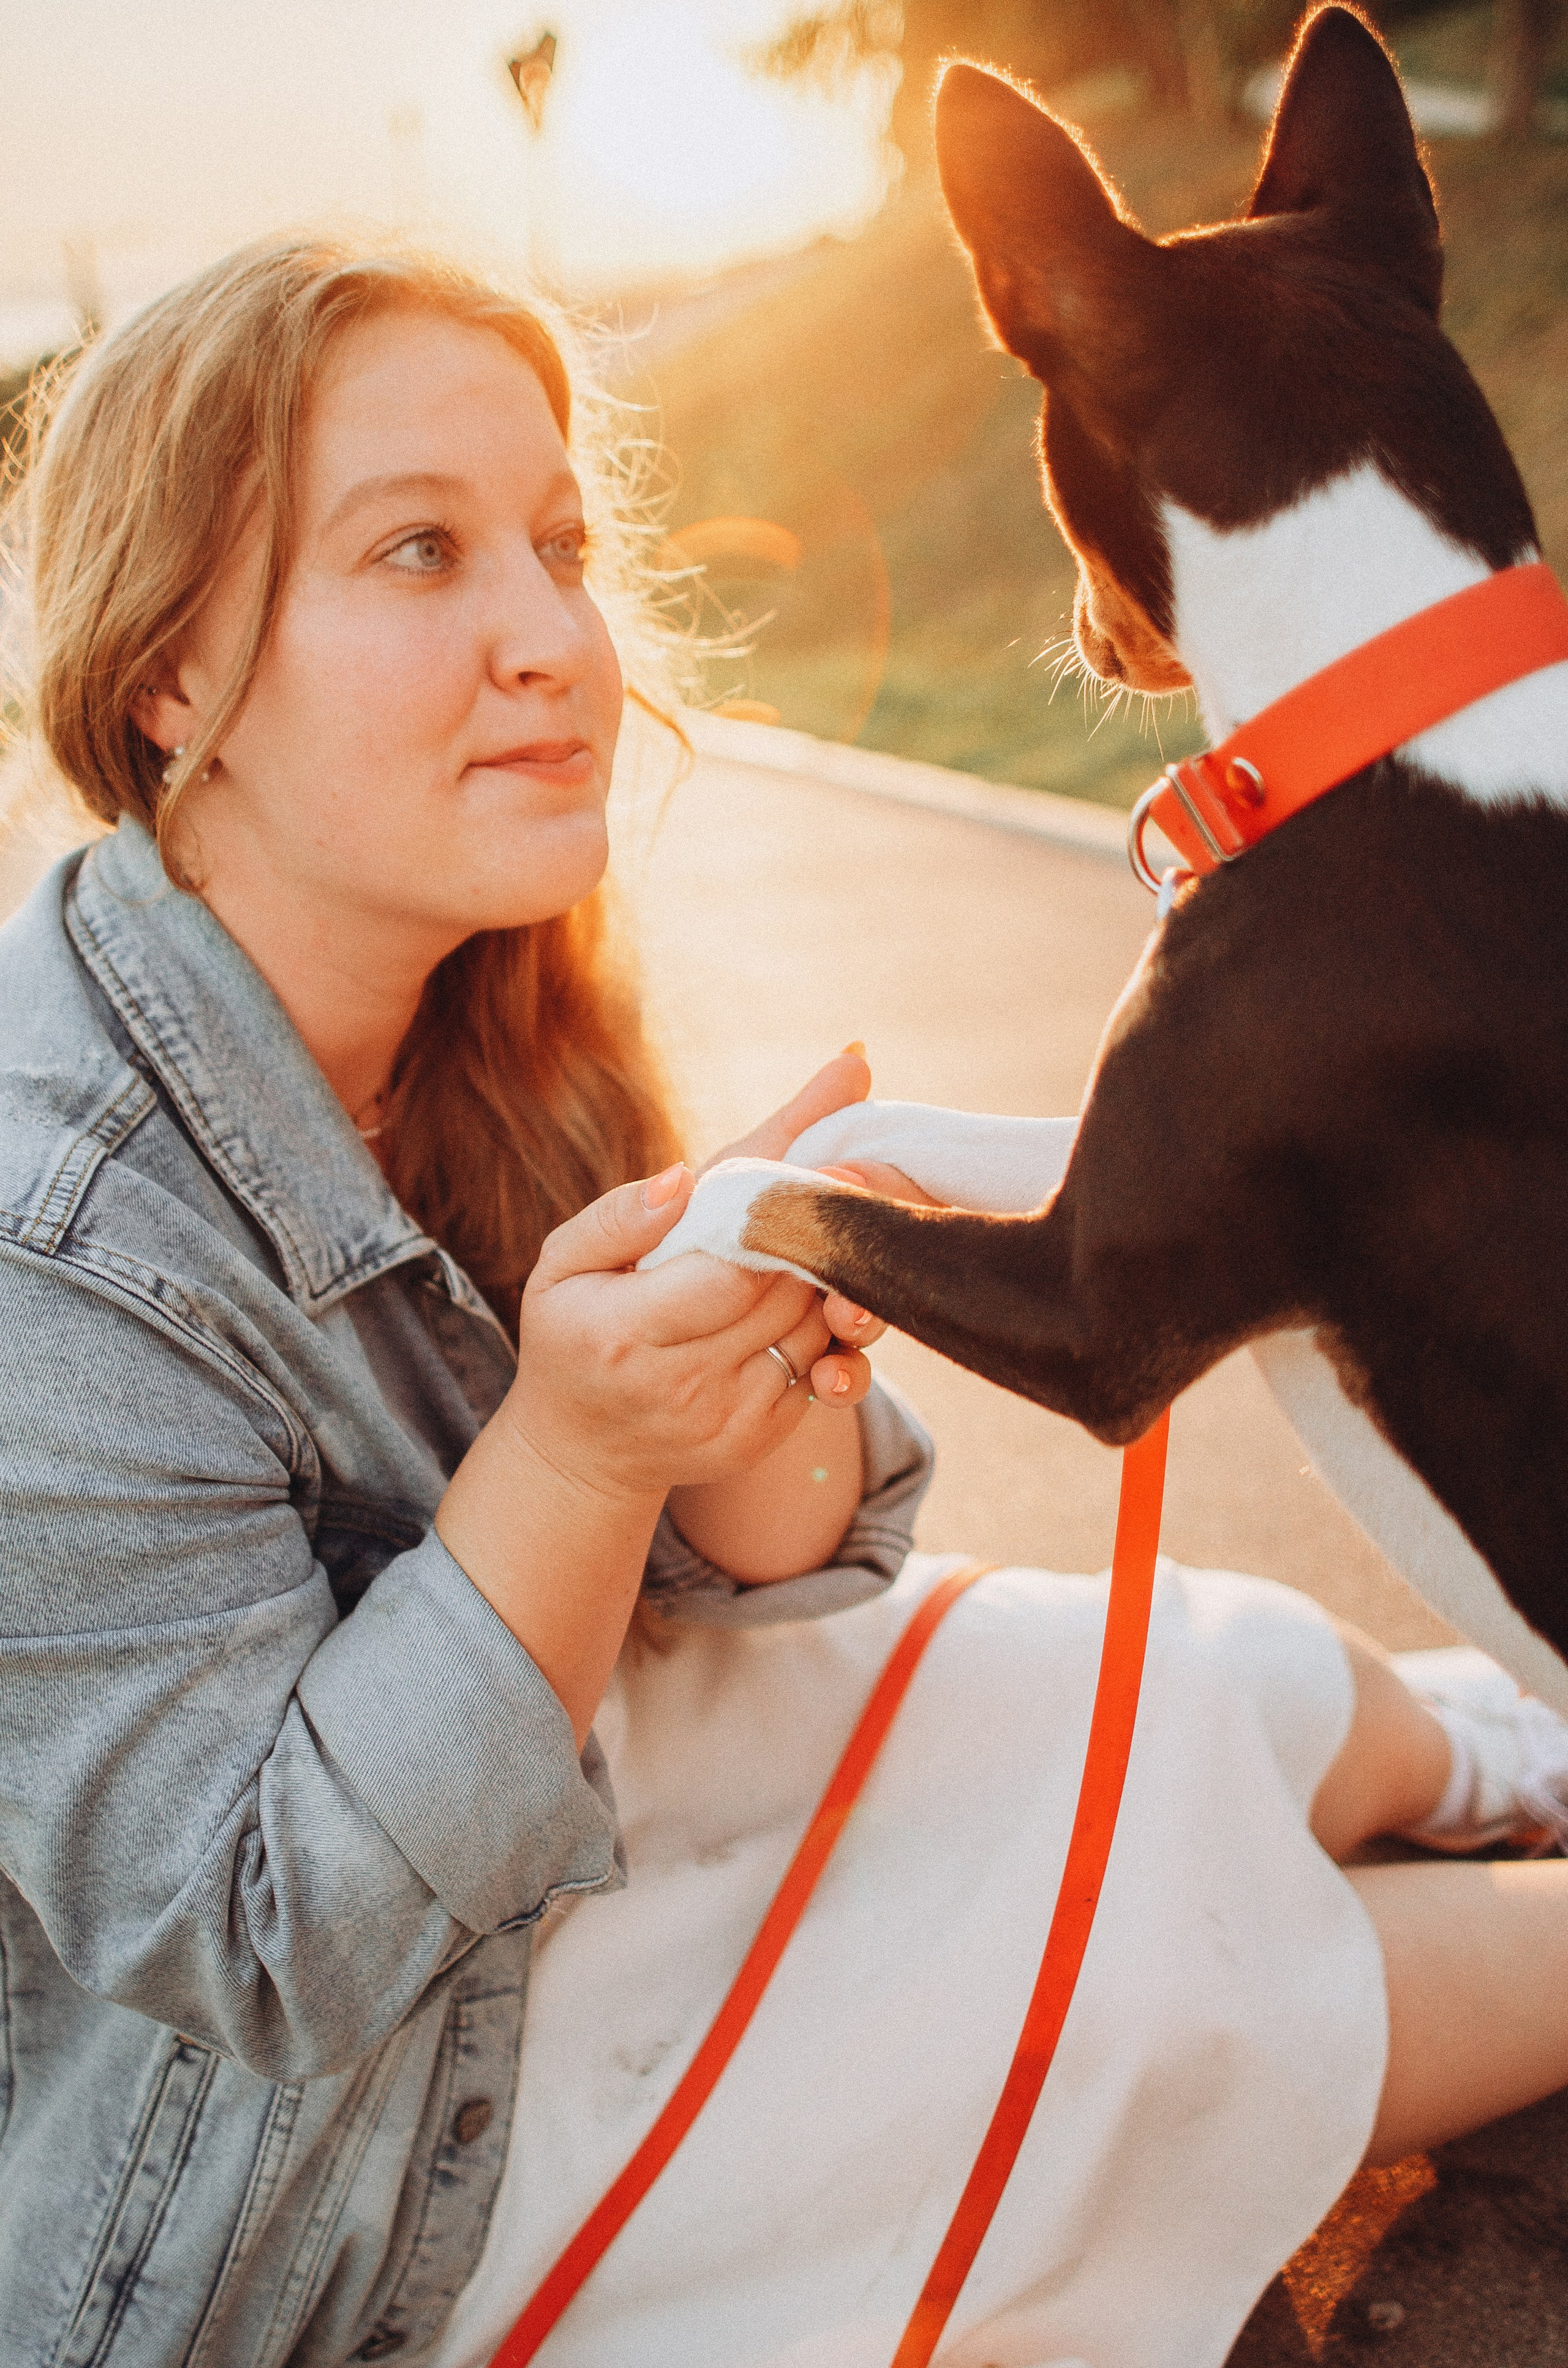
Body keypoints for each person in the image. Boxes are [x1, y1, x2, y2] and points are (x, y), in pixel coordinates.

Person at [3, 235, 1568, 2368]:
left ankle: (1507, 1742)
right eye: (421, 554)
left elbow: (775, 1564)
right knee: (1154, 1993)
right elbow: (268, 1939)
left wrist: (746, 1416)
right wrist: (572, 1452)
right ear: (169, 677)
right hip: (340, 2170)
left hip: (584, 1815)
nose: (552, 635)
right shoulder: (45, 1250)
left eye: (559, 543)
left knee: (1158, 1685)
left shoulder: (498, 995)